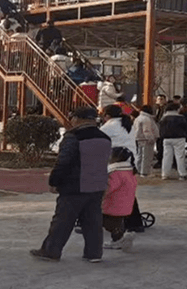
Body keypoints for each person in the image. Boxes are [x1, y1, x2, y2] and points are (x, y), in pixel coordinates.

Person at [29, 107, 111, 263]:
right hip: (97, 185)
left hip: (75, 185)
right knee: (93, 221)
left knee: (63, 220)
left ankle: (51, 251)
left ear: (77, 119)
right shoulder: (105, 138)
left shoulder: (73, 137)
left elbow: (63, 162)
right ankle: (94, 253)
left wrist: (54, 181)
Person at [102, 147, 138, 252]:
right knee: (117, 222)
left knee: (107, 223)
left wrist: (99, 195)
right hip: (125, 204)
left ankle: (120, 239)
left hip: (113, 204)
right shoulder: (130, 171)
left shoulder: (115, 173)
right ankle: (119, 239)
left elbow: (108, 188)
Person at [158, 102, 187, 180]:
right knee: (180, 156)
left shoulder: (164, 118)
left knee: (166, 156)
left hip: (166, 138)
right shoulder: (181, 118)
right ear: (176, 109)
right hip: (179, 138)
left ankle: (165, 174)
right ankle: (182, 174)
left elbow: (160, 128)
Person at [132, 105, 159, 177]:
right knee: (147, 156)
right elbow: (146, 130)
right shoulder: (146, 119)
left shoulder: (138, 118)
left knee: (140, 156)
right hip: (146, 139)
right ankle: (145, 172)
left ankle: (138, 170)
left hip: (139, 138)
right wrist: (151, 138)